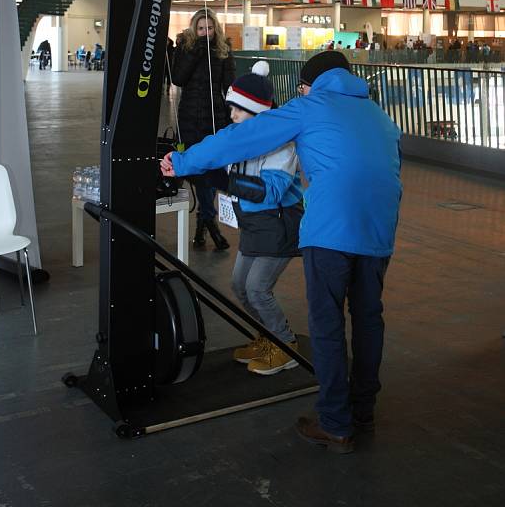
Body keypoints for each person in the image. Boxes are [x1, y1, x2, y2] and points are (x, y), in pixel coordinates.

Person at [162, 51, 402, 453]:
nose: (301, 91)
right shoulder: (380, 117)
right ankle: (363, 412)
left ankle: (335, 424)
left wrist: (185, 161)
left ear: (313, 83)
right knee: (367, 319)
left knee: (326, 325)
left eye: (303, 85)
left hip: (331, 231)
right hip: (378, 230)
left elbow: (243, 137)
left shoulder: (310, 106)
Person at [178, 60, 303, 375]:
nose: (232, 115)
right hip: (252, 225)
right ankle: (268, 336)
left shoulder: (282, 146)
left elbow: (271, 191)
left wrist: (223, 181)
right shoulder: (237, 139)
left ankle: (286, 346)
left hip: (279, 225)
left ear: (257, 111)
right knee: (239, 285)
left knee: (258, 288)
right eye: (231, 108)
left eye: (238, 109)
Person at [171, 7, 235, 250]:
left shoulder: (223, 50)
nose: (205, 33)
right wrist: (196, 51)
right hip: (188, 116)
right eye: (200, 28)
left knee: (213, 169)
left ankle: (205, 223)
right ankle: (207, 223)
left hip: (215, 117)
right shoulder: (186, 48)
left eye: (209, 28)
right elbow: (178, 78)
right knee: (197, 171)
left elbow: (229, 86)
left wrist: (232, 115)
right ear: (193, 29)